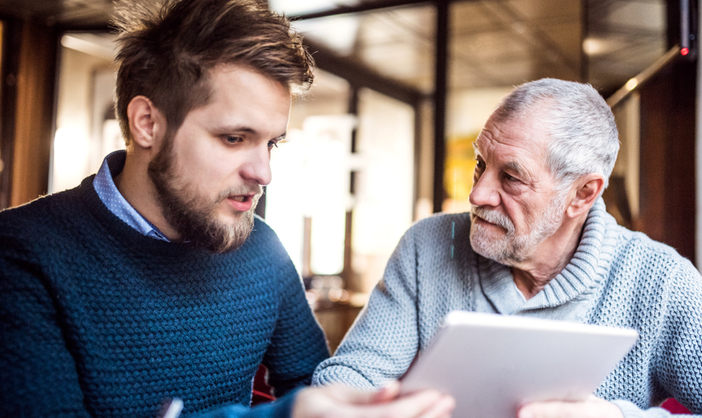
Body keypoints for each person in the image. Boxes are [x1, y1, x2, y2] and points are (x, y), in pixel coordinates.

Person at [0, 0, 455, 417]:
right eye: (235, 138)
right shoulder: (21, 253)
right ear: (148, 123)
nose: (264, 172)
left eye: (271, 142)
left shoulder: (262, 248)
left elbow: (316, 387)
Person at [312, 78, 702, 417]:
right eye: (481, 164)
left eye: (511, 178)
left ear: (581, 195)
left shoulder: (658, 280)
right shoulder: (428, 246)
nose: (478, 194)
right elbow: (351, 375)